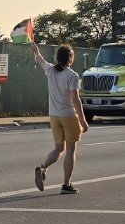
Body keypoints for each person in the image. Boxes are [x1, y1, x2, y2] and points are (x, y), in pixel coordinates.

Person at [30, 37, 88, 194]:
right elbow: (75, 100)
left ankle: (43, 168)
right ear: (70, 58)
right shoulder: (72, 75)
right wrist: (83, 121)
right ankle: (66, 184)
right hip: (69, 115)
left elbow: (41, 61)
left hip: (54, 115)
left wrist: (36, 51)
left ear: (57, 57)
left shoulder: (50, 70)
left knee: (58, 148)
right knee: (70, 150)